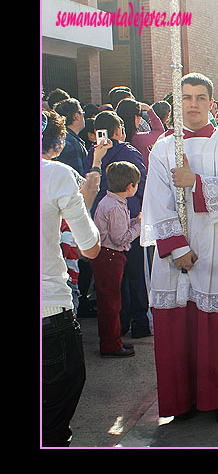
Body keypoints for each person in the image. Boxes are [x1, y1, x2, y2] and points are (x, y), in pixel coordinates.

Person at [141, 72, 218, 423]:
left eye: (200, 97)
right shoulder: (165, 148)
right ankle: (182, 399)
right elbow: (155, 201)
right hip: (177, 252)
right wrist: (175, 246)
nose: (193, 104)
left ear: (211, 103)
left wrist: (195, 182)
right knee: (180, 327)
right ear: (176, 104)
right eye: (186, 97)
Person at [42, 110, 101, 446]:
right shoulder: (57, 175)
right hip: (49, 314)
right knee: (52, 428)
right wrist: (86, 197)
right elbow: (90, 248)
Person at [85, 111, 151, 340]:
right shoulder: (129, 152)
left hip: (101, 221)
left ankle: (120, 324)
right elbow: (141, 181)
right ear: (117, 129)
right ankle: (140, 322)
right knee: (135, 274)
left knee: (113, 280)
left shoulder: (93, 154)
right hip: (129, 215)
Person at [90, 161, 142, 358]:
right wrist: (138, 226)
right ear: (130, 186)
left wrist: (133, 222)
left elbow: (117, 229)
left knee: (110, 302)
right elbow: (120, 237)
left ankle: (113, 341)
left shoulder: (110, 201)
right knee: (111, 304)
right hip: (110, 257)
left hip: (106, 256)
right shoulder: (115, 206)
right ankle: (110, 345)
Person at [116, 98, 166, 171]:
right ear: (135, 117)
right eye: (140, 114)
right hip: (142, 176)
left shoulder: (115, 138)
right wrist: (150, 110)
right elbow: (160, 132)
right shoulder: (138, 139)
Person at [53, 98, 88, 176]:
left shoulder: (59, 138)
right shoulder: (71, 143)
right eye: (83, 114)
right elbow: (77, 177)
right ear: (76, 116)